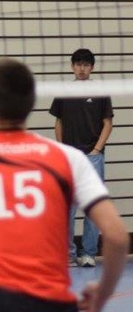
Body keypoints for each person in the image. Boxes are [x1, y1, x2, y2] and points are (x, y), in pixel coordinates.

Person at [0, 58, 127, 312]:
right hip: (49, 303)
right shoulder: (68, 158)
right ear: (31, 103)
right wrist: (103, 293)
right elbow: (117, 237)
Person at [49, 48, 114, 268]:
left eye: (86, 65)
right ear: (72, 67)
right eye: (78, 64)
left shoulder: (101, 91)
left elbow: (108, 123)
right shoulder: (64, 91)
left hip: (93, 157)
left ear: (92, 67)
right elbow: (59, 122)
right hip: (70, 158)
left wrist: (96, 149)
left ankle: (88, 253)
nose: (81, 69)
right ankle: (68, 254)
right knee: (67, 208)